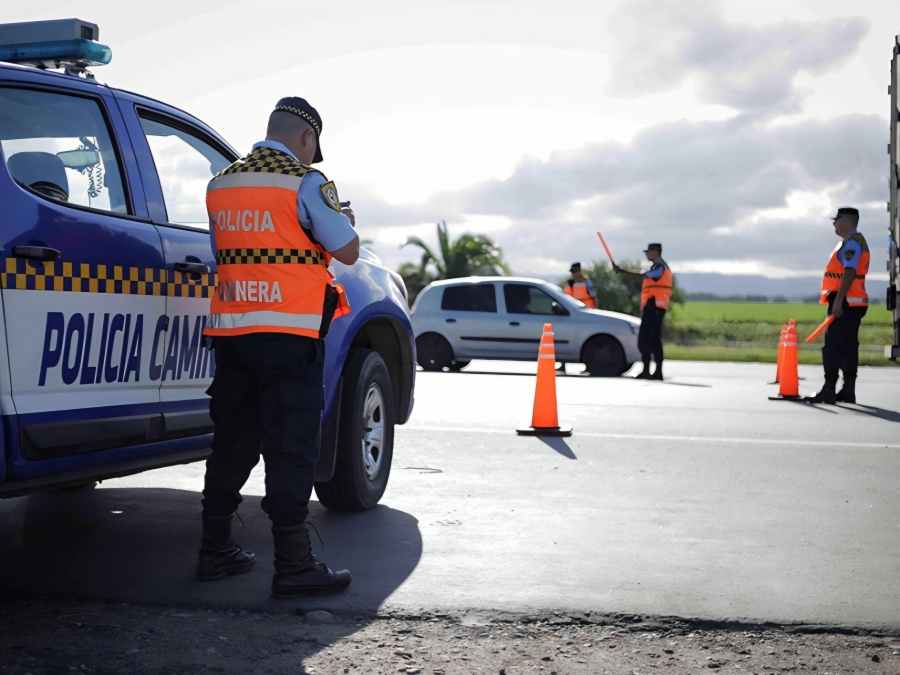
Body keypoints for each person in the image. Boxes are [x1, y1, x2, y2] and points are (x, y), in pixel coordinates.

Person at [197, 97, 360, 598]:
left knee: (232, 443)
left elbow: (227, 250)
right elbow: (348, 251)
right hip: (290, 337)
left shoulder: (220, 183)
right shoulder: (306, 181)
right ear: (307, 138)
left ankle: (214, 551)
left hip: (233, 333)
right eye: (313, 148)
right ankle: (294, 565)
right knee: (291, 447)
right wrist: (344, 217)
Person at [807, 207, 869, 404]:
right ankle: (848, 390)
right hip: (852, 302)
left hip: (845, 302)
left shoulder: (851, 244)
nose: (834, 223)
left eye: (837, 219)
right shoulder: (855, 242)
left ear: (847, 222)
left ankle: (829, 389)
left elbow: (849, 273)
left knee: (833, 347)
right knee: (848, 347)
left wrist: (839, 301)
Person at [613, 243, 672, 380]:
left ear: (655, 252)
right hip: (655, 307)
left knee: (646, 340)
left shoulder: (659, 267)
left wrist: (622, 271)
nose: (646, 254)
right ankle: (655, 372)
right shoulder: (660, 267)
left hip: (654, 307)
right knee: (654, 340)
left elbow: (642, 277)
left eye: (648, 251)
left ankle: (648, 371)